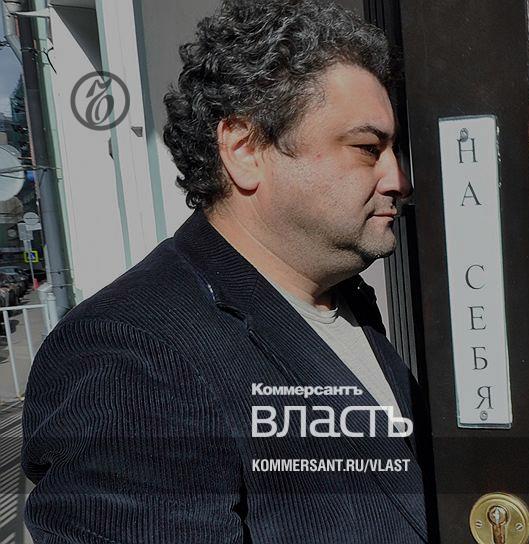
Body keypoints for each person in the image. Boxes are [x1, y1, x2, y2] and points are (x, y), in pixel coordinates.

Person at [20, 2, 429, 542]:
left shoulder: (342, 296)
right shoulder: (129, 355)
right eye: (367, 149)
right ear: (244, 150)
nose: (398, 179)